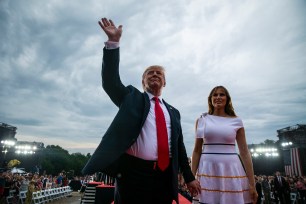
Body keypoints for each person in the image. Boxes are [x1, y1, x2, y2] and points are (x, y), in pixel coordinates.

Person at [82, 17, 201, 204]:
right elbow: (110, 82)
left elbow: (179, 147)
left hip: (164, 176)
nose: (154, 74)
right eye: (149, 73)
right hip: (133, 174)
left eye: (159, 73)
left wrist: (189, 176)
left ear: (164, 81)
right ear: (143, 81)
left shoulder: (174, 112)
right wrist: (113, 43)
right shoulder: (131, 98)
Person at [191, 85, 258, 204]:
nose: (218, 97)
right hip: (207, 169)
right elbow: (196, 150)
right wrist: (191, 178)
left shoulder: (237, 121)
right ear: (210, 99)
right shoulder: (202, 120)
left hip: (231, 170)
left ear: (227, 99)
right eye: (215, 95)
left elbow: (244, 152)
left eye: (222, 94)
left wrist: (252, 184)